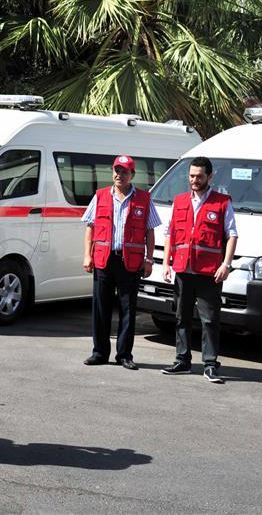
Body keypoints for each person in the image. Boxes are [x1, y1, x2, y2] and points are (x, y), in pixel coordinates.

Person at [161, 156, 237, 384]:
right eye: (191, 176)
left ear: (209, 177)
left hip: (209, 272)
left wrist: (226, 264)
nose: (194, 180)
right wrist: (166, 263)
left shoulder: (222, 202)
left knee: (210, 320)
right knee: (181, 317)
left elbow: (232, 235)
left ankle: (210, 364)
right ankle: (182, 361)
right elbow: (169, 234)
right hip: (183, 269)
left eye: (199, 176)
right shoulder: (179, 201)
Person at [81, 155, 159, 369]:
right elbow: (90, 227)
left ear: (132, 175)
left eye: (124, 172)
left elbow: (150, 231)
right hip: (104, 260)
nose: (119, 175)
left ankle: (124, 355)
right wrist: (87, 255)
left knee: (128, 309)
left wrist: (149, 260)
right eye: (117, 170)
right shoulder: (100, 196)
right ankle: (99, 353)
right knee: (100, 308)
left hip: (130, 263)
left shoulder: (143, 198)